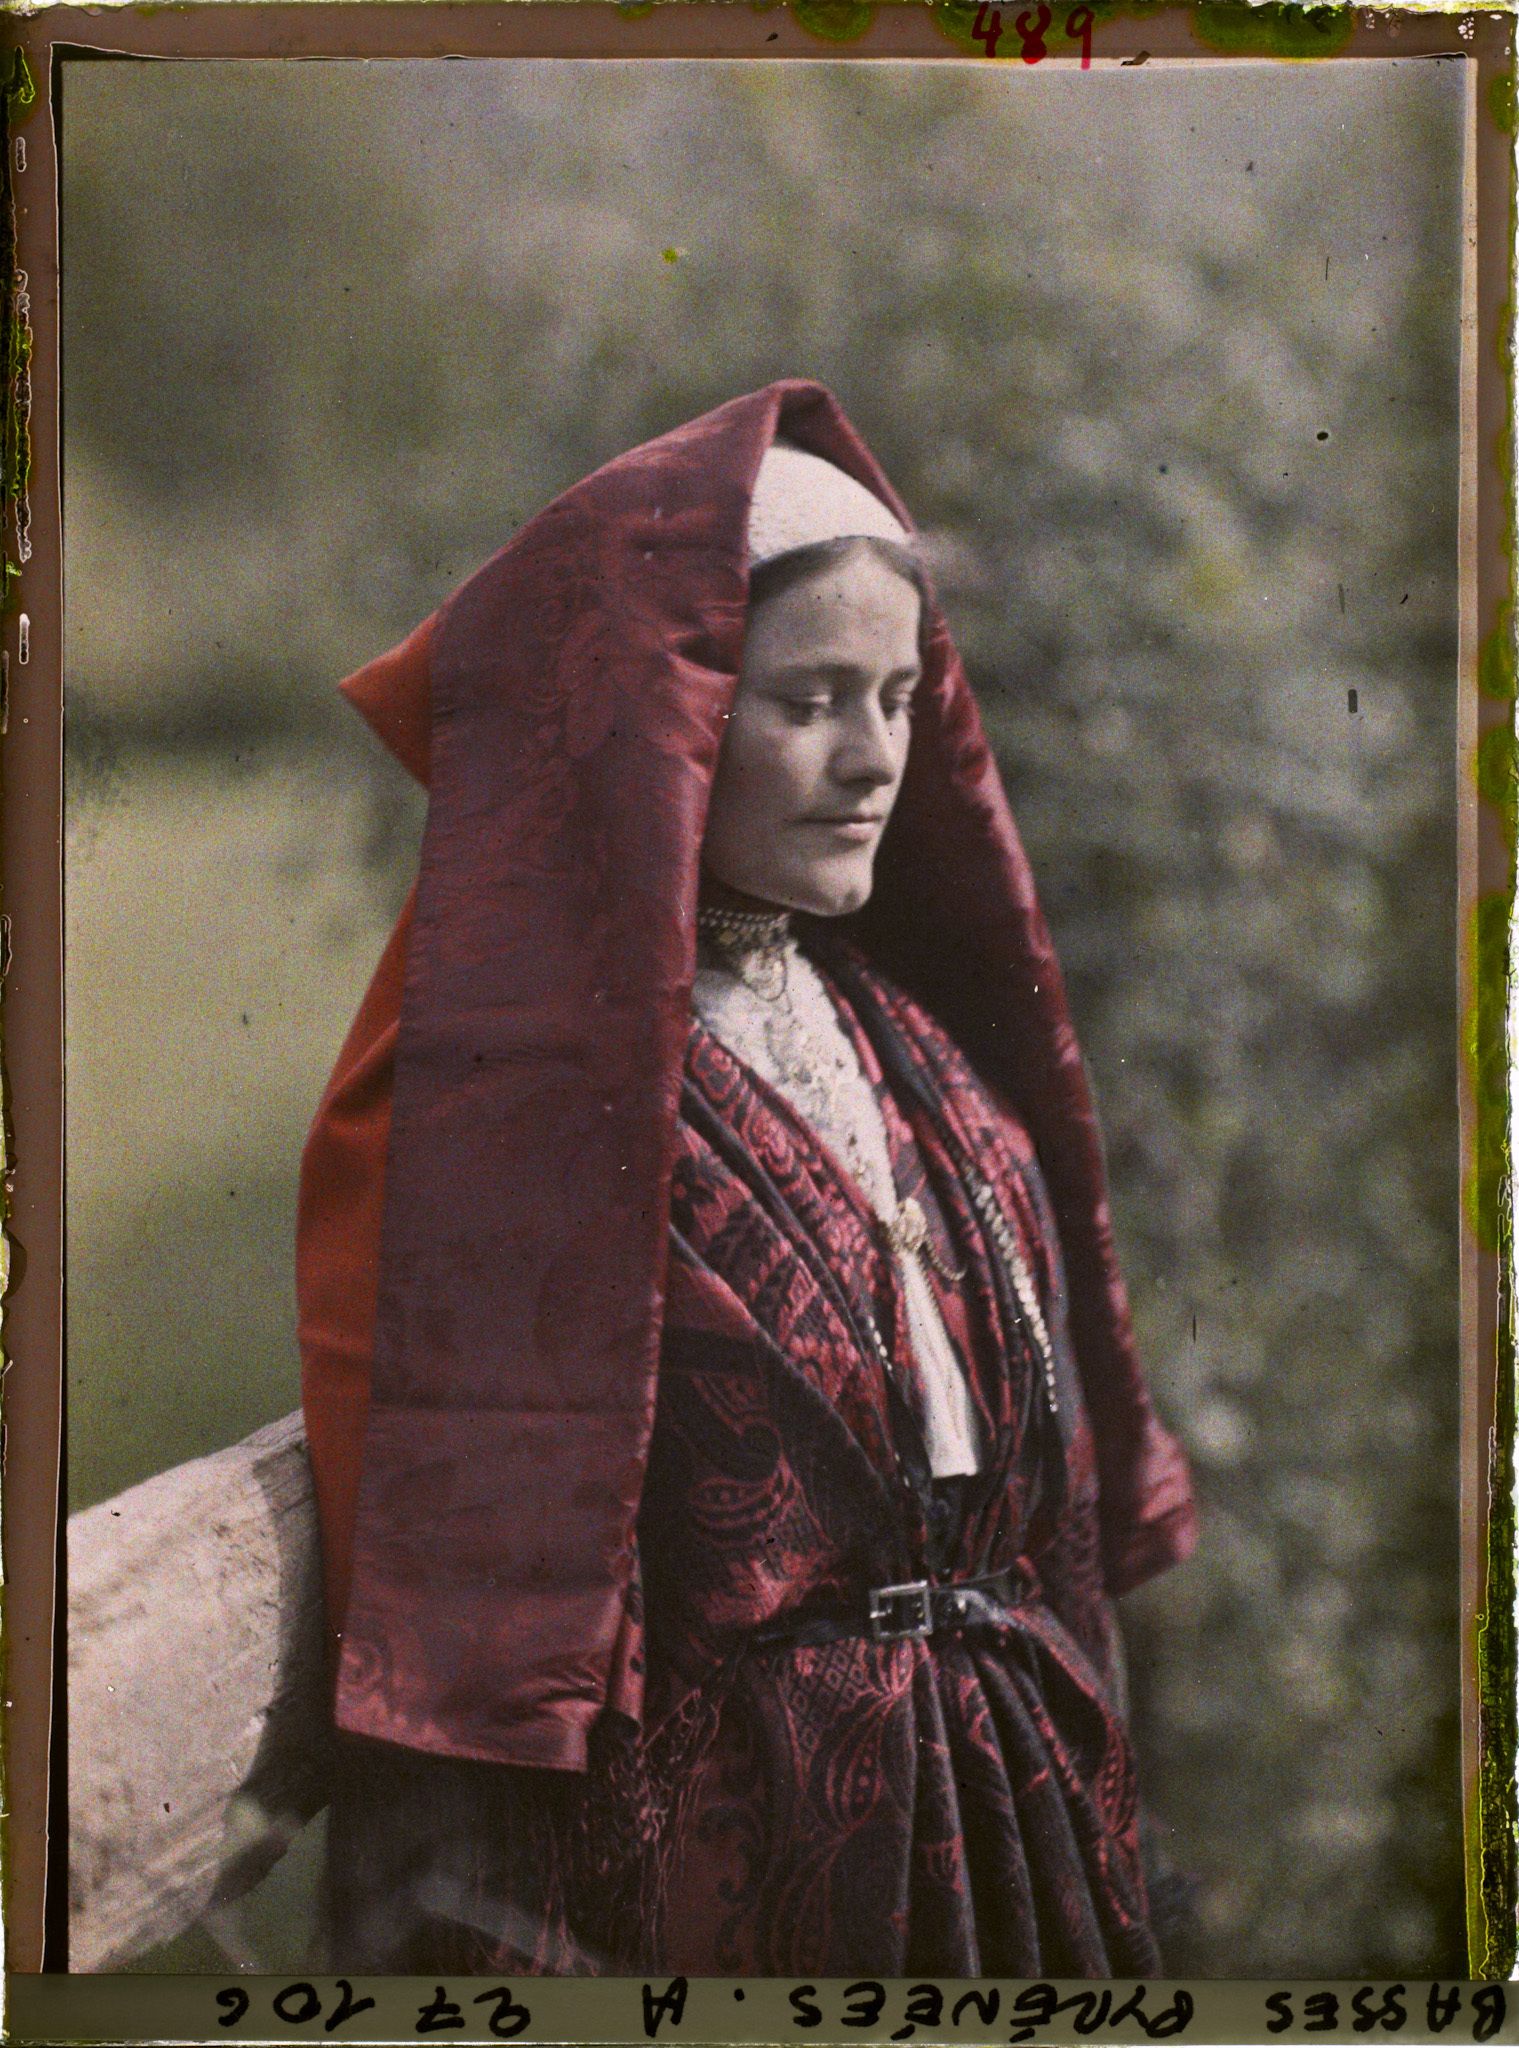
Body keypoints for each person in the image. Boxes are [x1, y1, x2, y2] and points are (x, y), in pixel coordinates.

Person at [297, 379, 1197, 1977]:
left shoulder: (927, 1062)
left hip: (1014, 1837)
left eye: (900, 696)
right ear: (672, 721)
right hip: (749, 1878)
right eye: (809, 702)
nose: (872, 761)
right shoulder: (542, 1102)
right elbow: (495, 1602)